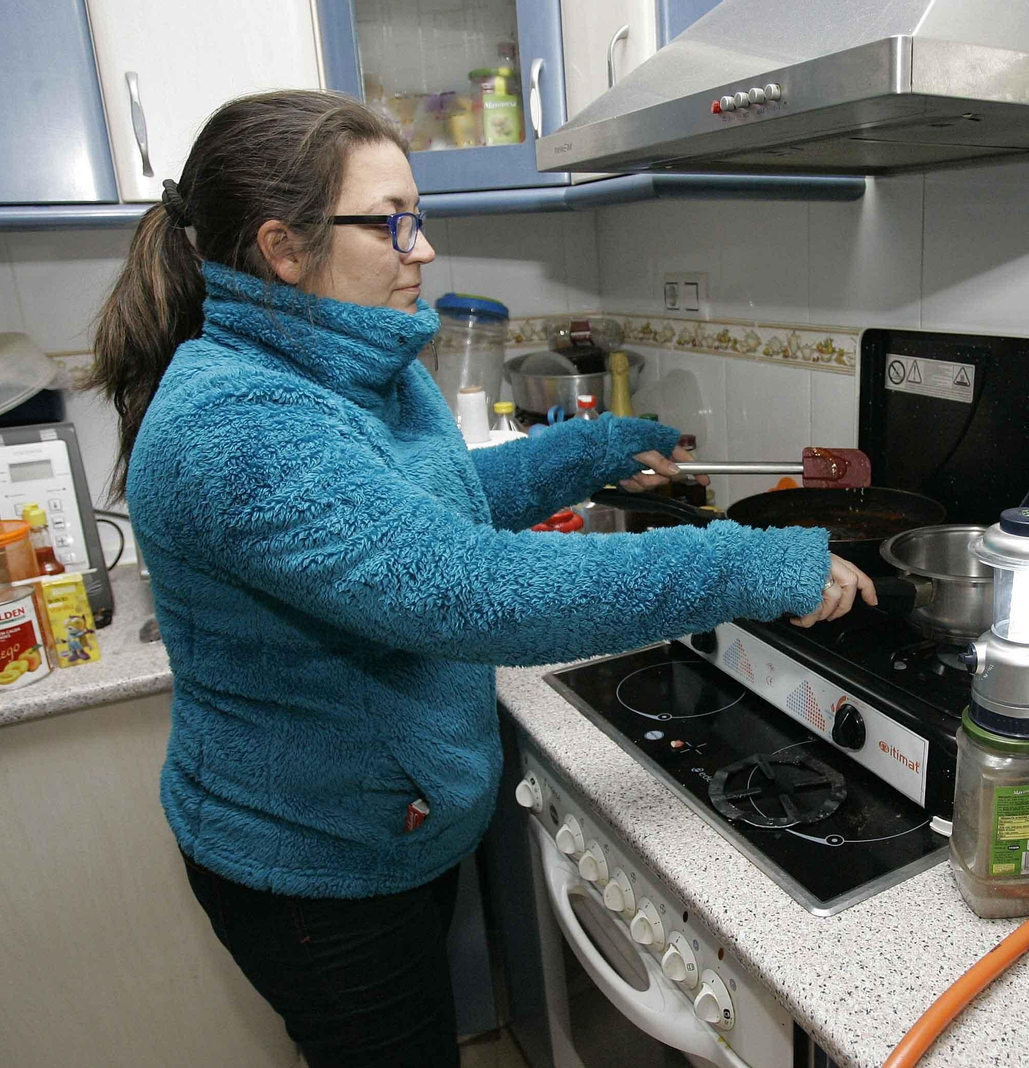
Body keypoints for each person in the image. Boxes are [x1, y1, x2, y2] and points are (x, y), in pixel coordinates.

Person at [88, 89, 874, 1067]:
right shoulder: (238, 422)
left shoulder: (361, 356)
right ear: (284, 248)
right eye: (392, 223)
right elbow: (467, 587)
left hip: (397, 821)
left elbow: (438, 502)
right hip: (314, 867)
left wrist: (586, 451)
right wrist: (747, 563)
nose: (421, 250)